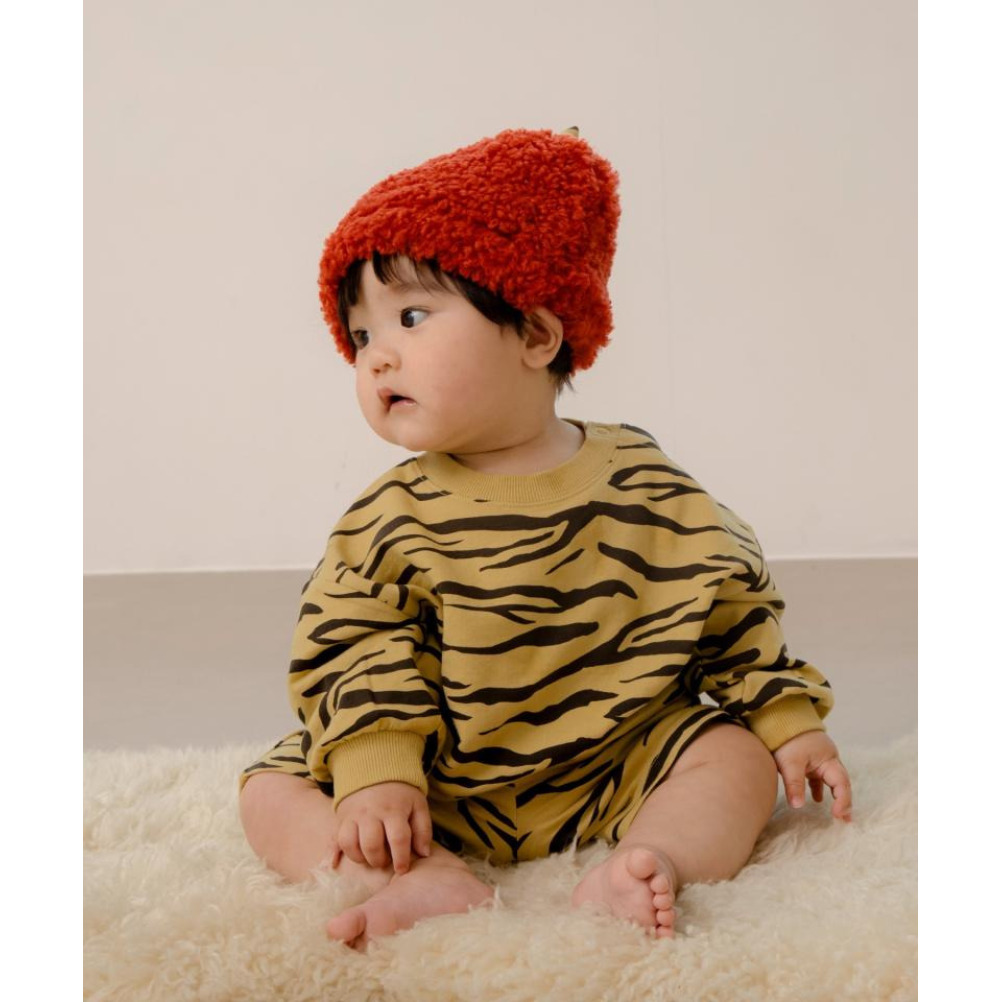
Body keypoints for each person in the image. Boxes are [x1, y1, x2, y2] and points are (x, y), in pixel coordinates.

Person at [238, 127, 853, 951]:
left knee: (734, 759)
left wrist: (786, 719)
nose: (376, 358)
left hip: (617, 763)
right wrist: (376, 772)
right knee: (271, 791)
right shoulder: (389, 518)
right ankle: (424, 875)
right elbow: (351, 645)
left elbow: (729, 606)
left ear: (535, 334)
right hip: (438, 784)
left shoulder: (647, 483)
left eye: (410, 317)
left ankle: (649, 860)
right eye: (361, 337)